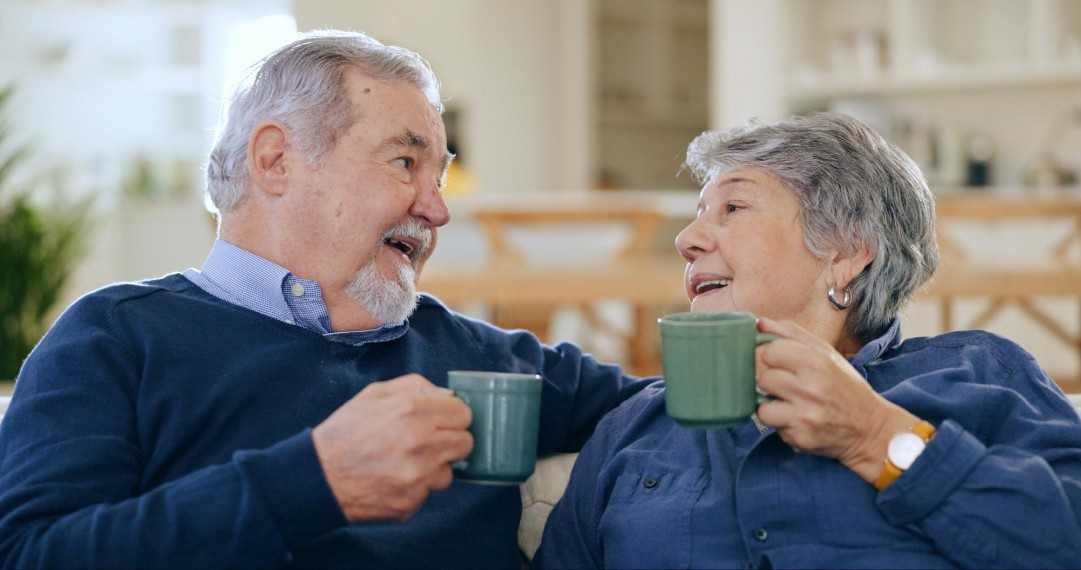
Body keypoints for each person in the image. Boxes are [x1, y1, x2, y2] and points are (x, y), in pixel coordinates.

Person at [0, 31, 645, 569]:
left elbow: (657, 406)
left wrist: (747, 370)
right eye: (404, 164)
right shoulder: (115, 339)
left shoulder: (468, 351)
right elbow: (31, 554)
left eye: (440, 176)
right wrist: (314, 481)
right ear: (276, 160)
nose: (439, 209)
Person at [533, 112, 1081, 569]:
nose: (686, 239)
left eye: (734, 207)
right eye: (698, 214)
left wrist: (878, 438)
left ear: (843, 252)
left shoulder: (978, 375)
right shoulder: (636, 427)